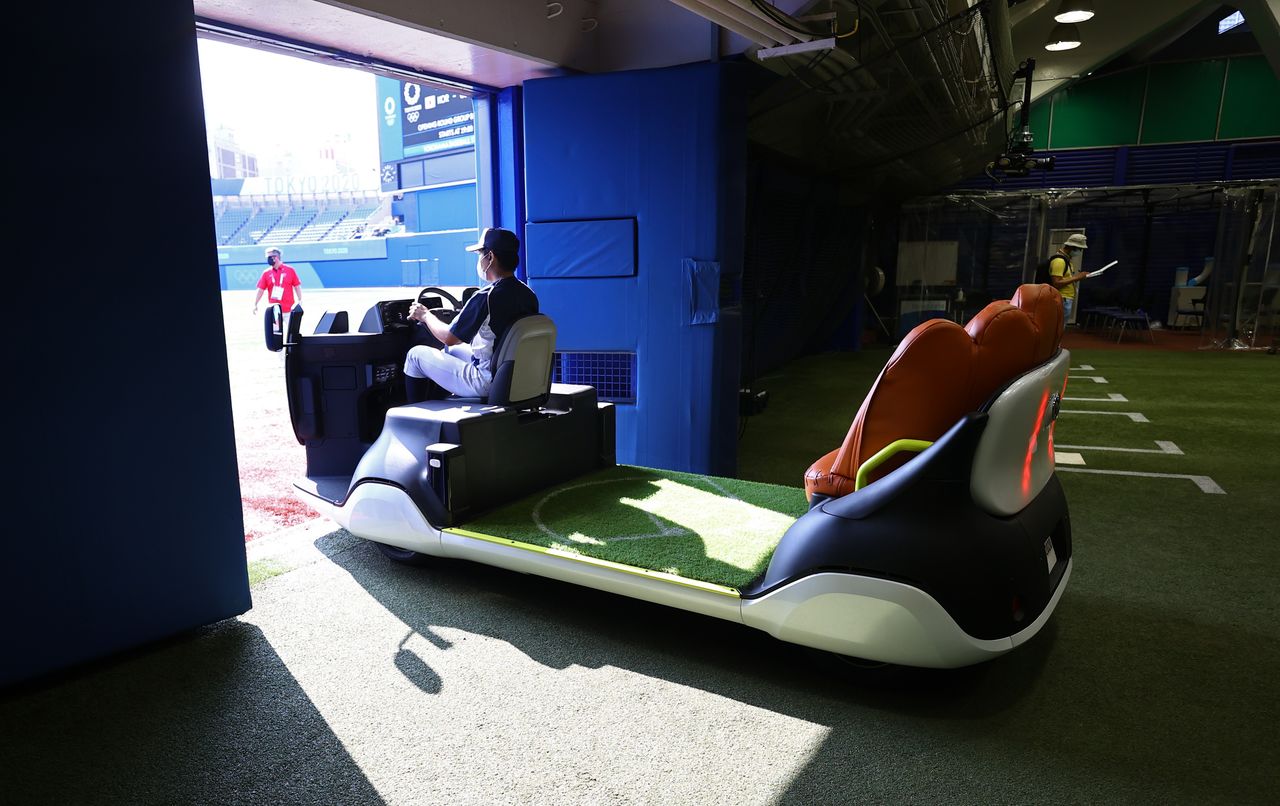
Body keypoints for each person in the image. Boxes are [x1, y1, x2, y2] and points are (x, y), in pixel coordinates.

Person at [402, 227, 538, 402]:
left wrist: (425, 315)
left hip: (486, 381)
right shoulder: (528, 294)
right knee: (452, 350)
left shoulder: (486, 296)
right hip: (514, 376)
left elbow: (449, 337)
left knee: (415, 355)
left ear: (490, 257)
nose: (479, 260)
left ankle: (415, 420)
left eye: (480, 254)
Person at [1042, 233, 1090, 322]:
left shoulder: (1067, 260)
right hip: (1061, 298)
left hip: (1065, 299)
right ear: (1073, 247)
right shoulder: (1059, 261)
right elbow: (1056, 283)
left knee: (1060, 326)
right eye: (1080, 249)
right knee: (1058, 326)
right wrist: (1077, 277)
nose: (1080, 251)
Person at [252, 248, 303, 316]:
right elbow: (260, 290)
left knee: (292, 327)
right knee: (274, 327)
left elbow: (297, 286)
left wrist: (300, 300)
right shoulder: (266, 273)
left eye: (269, 257)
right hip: (274, 310)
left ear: (275, 257)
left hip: (289, 309)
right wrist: (255, 304)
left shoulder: (290, 270)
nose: (268, 260)